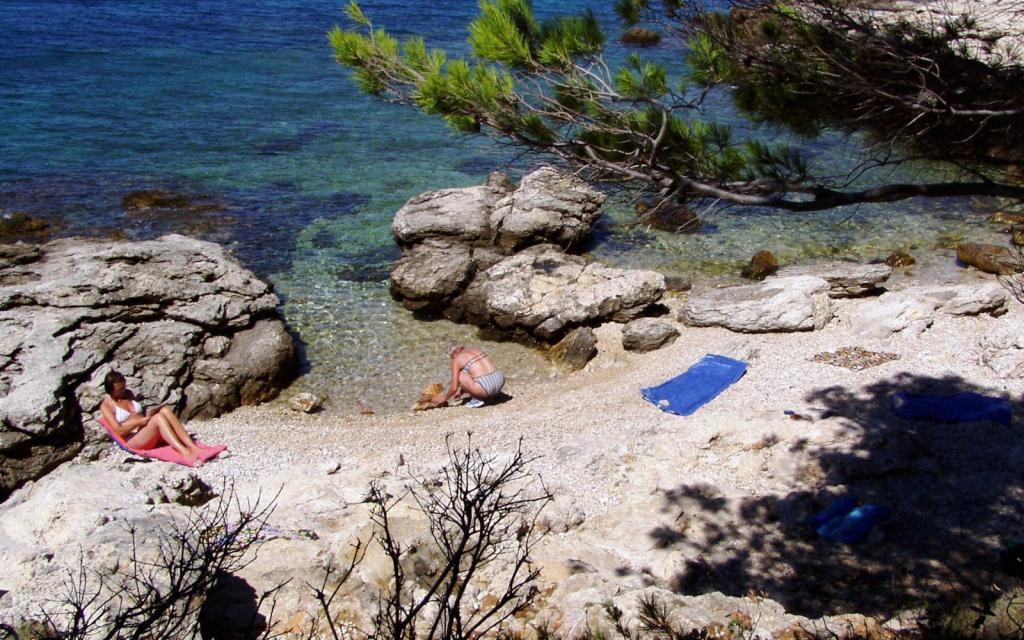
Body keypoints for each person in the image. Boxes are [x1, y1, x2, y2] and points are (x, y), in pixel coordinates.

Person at [98, 370, 205, 466]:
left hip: (144, 429)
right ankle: (184, 452)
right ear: (110, 391)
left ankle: (192, 446)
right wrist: (138, 423)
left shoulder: (128, 394)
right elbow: (119, 431)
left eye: (124, 387)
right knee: (158, 418)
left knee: (165, 410)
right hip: (133, 438)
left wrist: (147, 416)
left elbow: (137, 414)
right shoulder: (106, 406)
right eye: (119, 390)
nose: (123, 391)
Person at [432, 345, 505, 408]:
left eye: (452, 357)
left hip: (485, 388)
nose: (452, 359)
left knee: (460, 375)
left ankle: (478, 399)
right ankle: (493, 396)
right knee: (470, 372)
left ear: (454, 352)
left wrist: (444, 398)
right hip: (500, 380)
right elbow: (479, 373)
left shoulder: (457, 359)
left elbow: (454, 388)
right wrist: (461, 391)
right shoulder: (476, 350)